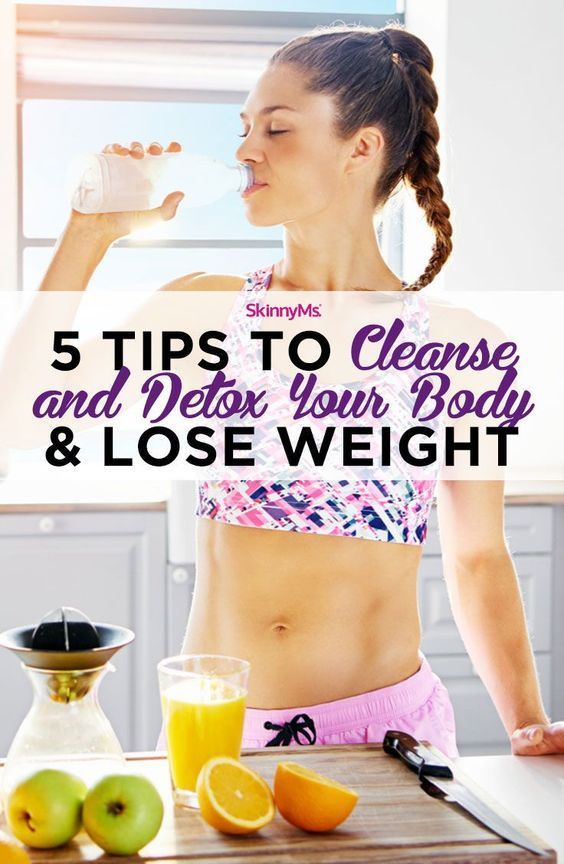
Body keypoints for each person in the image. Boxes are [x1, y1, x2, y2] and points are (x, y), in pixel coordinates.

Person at [25, 22, 563, 757]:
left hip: (390, 733)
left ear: (362, 147)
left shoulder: (459, 347)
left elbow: (477, 557)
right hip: (216, 730)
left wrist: (526, 721)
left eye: (276, 128)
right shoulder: (209, 310)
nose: (247, 149)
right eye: (245, 128)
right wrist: (87, 234)